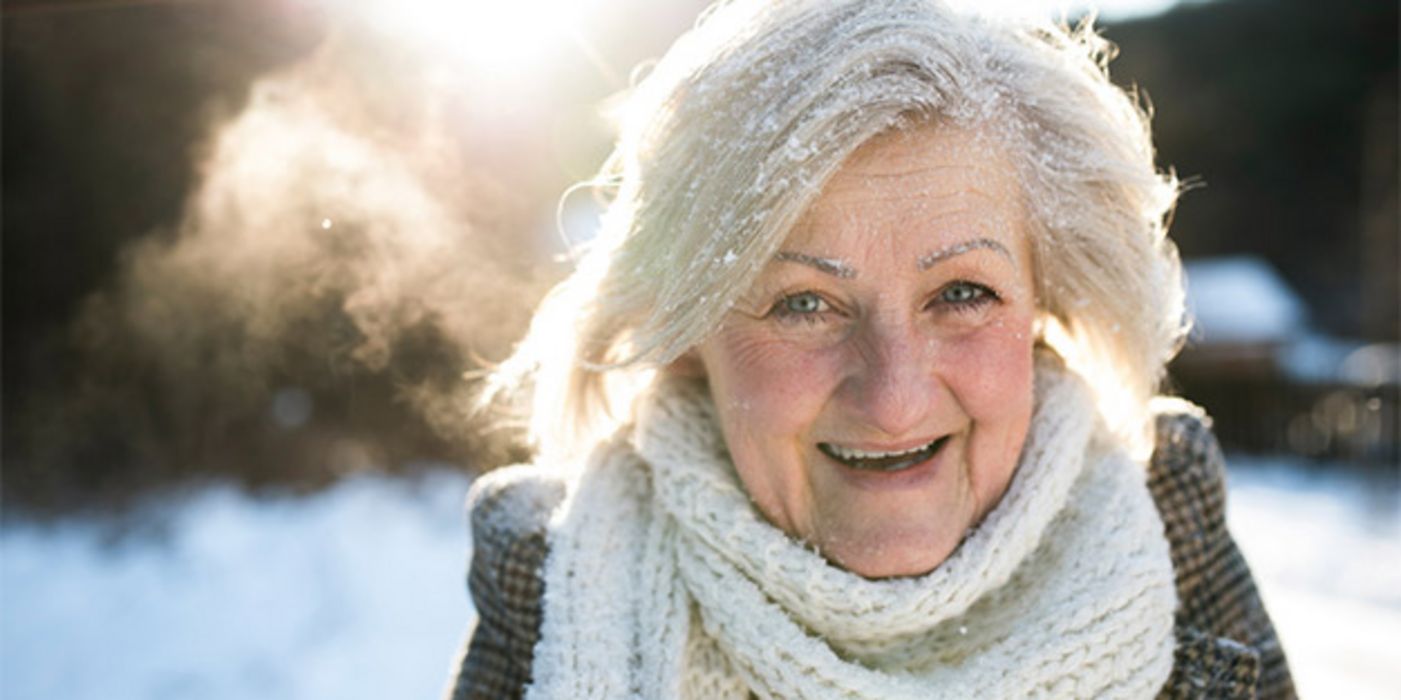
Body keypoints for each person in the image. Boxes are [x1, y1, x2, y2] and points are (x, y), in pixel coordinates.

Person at [446, 0, 1295, 697]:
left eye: (962, 294)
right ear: (684, 337)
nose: (893, 398)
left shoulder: (1164, 513)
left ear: (1041, 305)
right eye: (803, 304)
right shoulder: (550, 568)